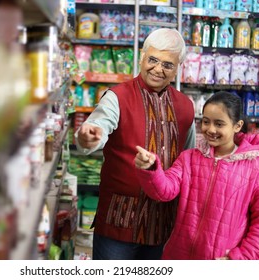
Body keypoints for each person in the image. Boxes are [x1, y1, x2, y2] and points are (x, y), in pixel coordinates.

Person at [75, 28, 196, 260]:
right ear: (142, 56)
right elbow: (98, 127)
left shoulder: (186, 107)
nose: (158, 69)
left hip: (165, 223)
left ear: (178, 67)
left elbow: (188, 161)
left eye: (167, 64)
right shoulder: (117, 97)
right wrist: (87, 137)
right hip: (119, 221)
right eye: (153, 60)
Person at [134, 91, 259, 260]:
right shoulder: (189, 158)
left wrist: (240, 258)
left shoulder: (256, 167)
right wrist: (151, 168)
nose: (210, 129)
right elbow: (164, 191)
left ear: (237, 126)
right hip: (179, 255)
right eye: (206, 122)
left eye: (219, 124)